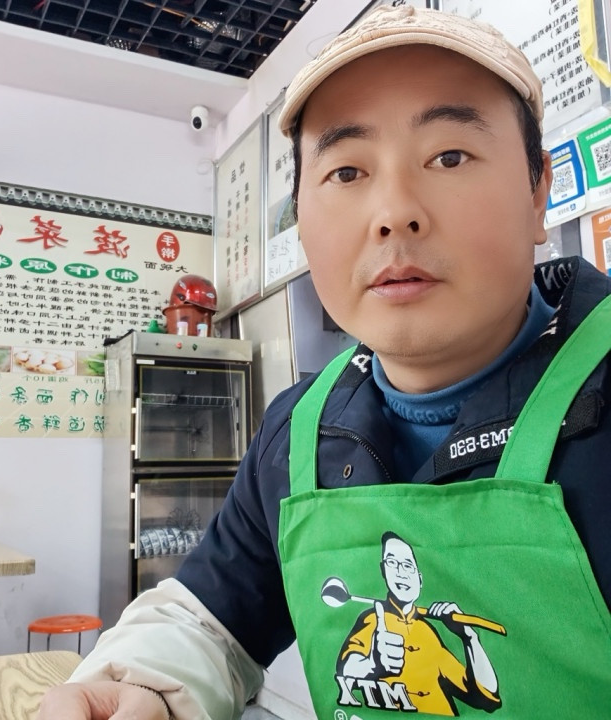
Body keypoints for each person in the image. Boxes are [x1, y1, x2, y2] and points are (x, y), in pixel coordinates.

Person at [39, 5, 611, 719]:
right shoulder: (299, 432)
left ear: (537, 191)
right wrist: (143, 684)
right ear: (302, 222)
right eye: (346, 171)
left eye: (449, 157)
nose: (394, 212)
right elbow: (210, 621)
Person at [337, 532, 500, 715]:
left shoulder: (429, 633)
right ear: (383, 571)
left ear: (420, 580)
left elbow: (485, 695)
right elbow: (346, 667)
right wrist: (371, 664)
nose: (401, 572)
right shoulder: (372, 619)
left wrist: (469, 637)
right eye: (392, 563)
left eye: (408, 566)